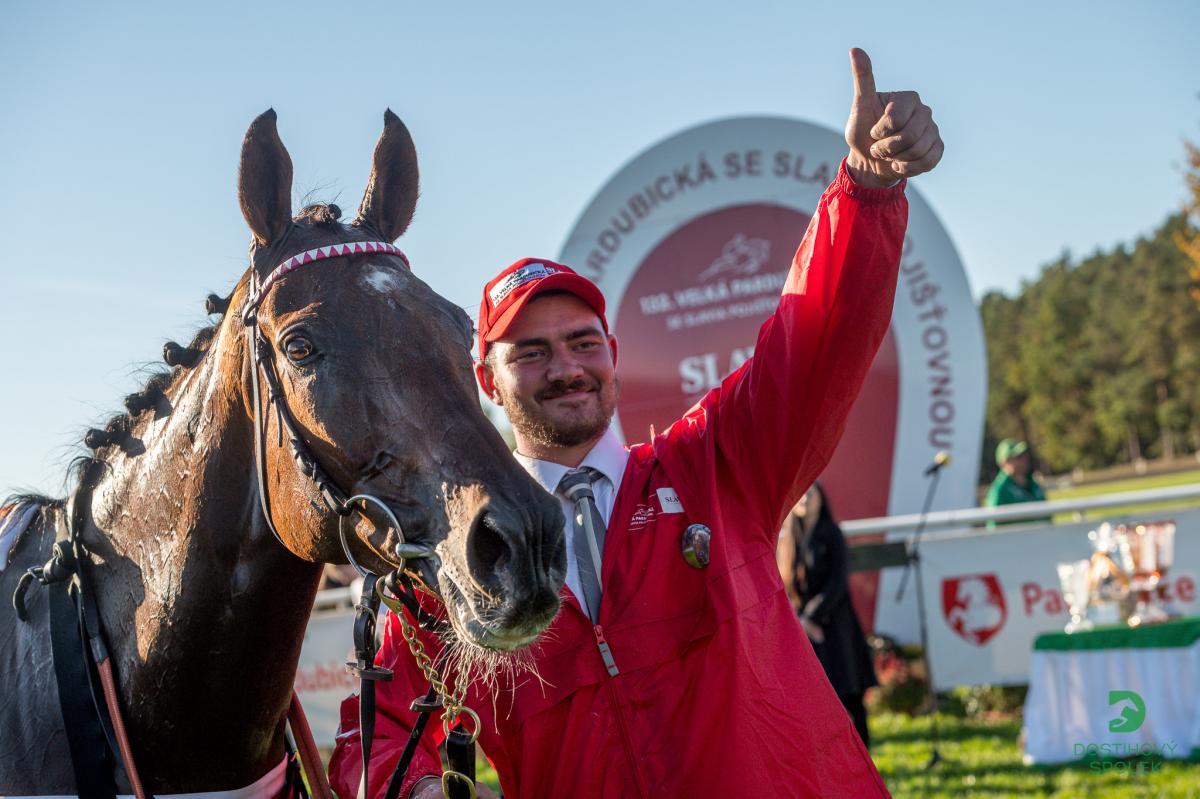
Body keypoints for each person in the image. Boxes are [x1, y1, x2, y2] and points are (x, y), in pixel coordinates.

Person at [330, 47, 943, 798]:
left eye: (584, 342)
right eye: (533, 352)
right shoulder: (461, 560)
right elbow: (381, 731)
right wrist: (421, 791)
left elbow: (812, 339)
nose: (566, 367)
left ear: (613, 356)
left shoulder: (718, 465)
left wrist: (868, 190)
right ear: (487, 379)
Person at [777, 483, 878, 748]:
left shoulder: (832, 533)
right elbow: (784, 587)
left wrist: (812, 617)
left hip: (836, 628)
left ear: (822, 499)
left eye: (811, 495)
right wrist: (801, 622)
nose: (806, 500)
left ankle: (865, 753)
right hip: (805, 632)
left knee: (849, 693)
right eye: (800, 496)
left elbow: (838, 582)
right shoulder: (788, 539)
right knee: (814, 696)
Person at [985, 438, 1049, 528]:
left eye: (1024, 455)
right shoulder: (999, 490)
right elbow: (994, 527)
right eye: (1018, 457)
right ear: (1004, 462)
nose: (1024, 459)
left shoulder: (1034, 485)